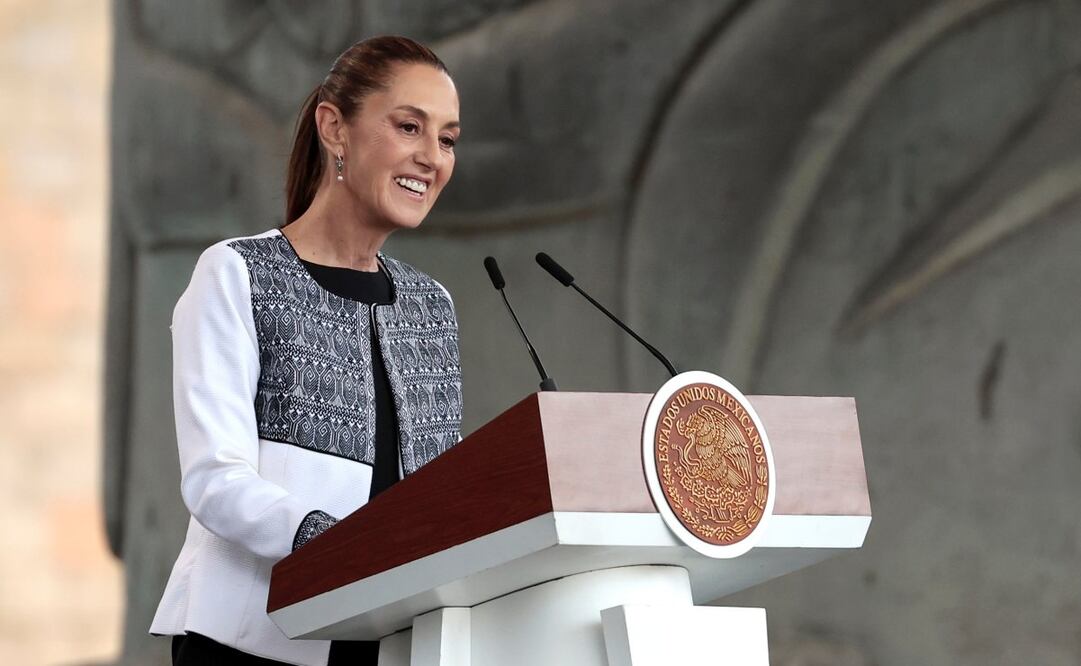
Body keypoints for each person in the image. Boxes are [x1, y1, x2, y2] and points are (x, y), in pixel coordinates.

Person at [149, 36, 464, 666]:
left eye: (449, 139)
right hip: (248, 643)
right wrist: (341, 545)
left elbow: (438, 494)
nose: (432, 157)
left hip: (393, 644)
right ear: (334, 127)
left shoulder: (432, 307)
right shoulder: (239, 274)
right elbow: (215, 479)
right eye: (409, 127)